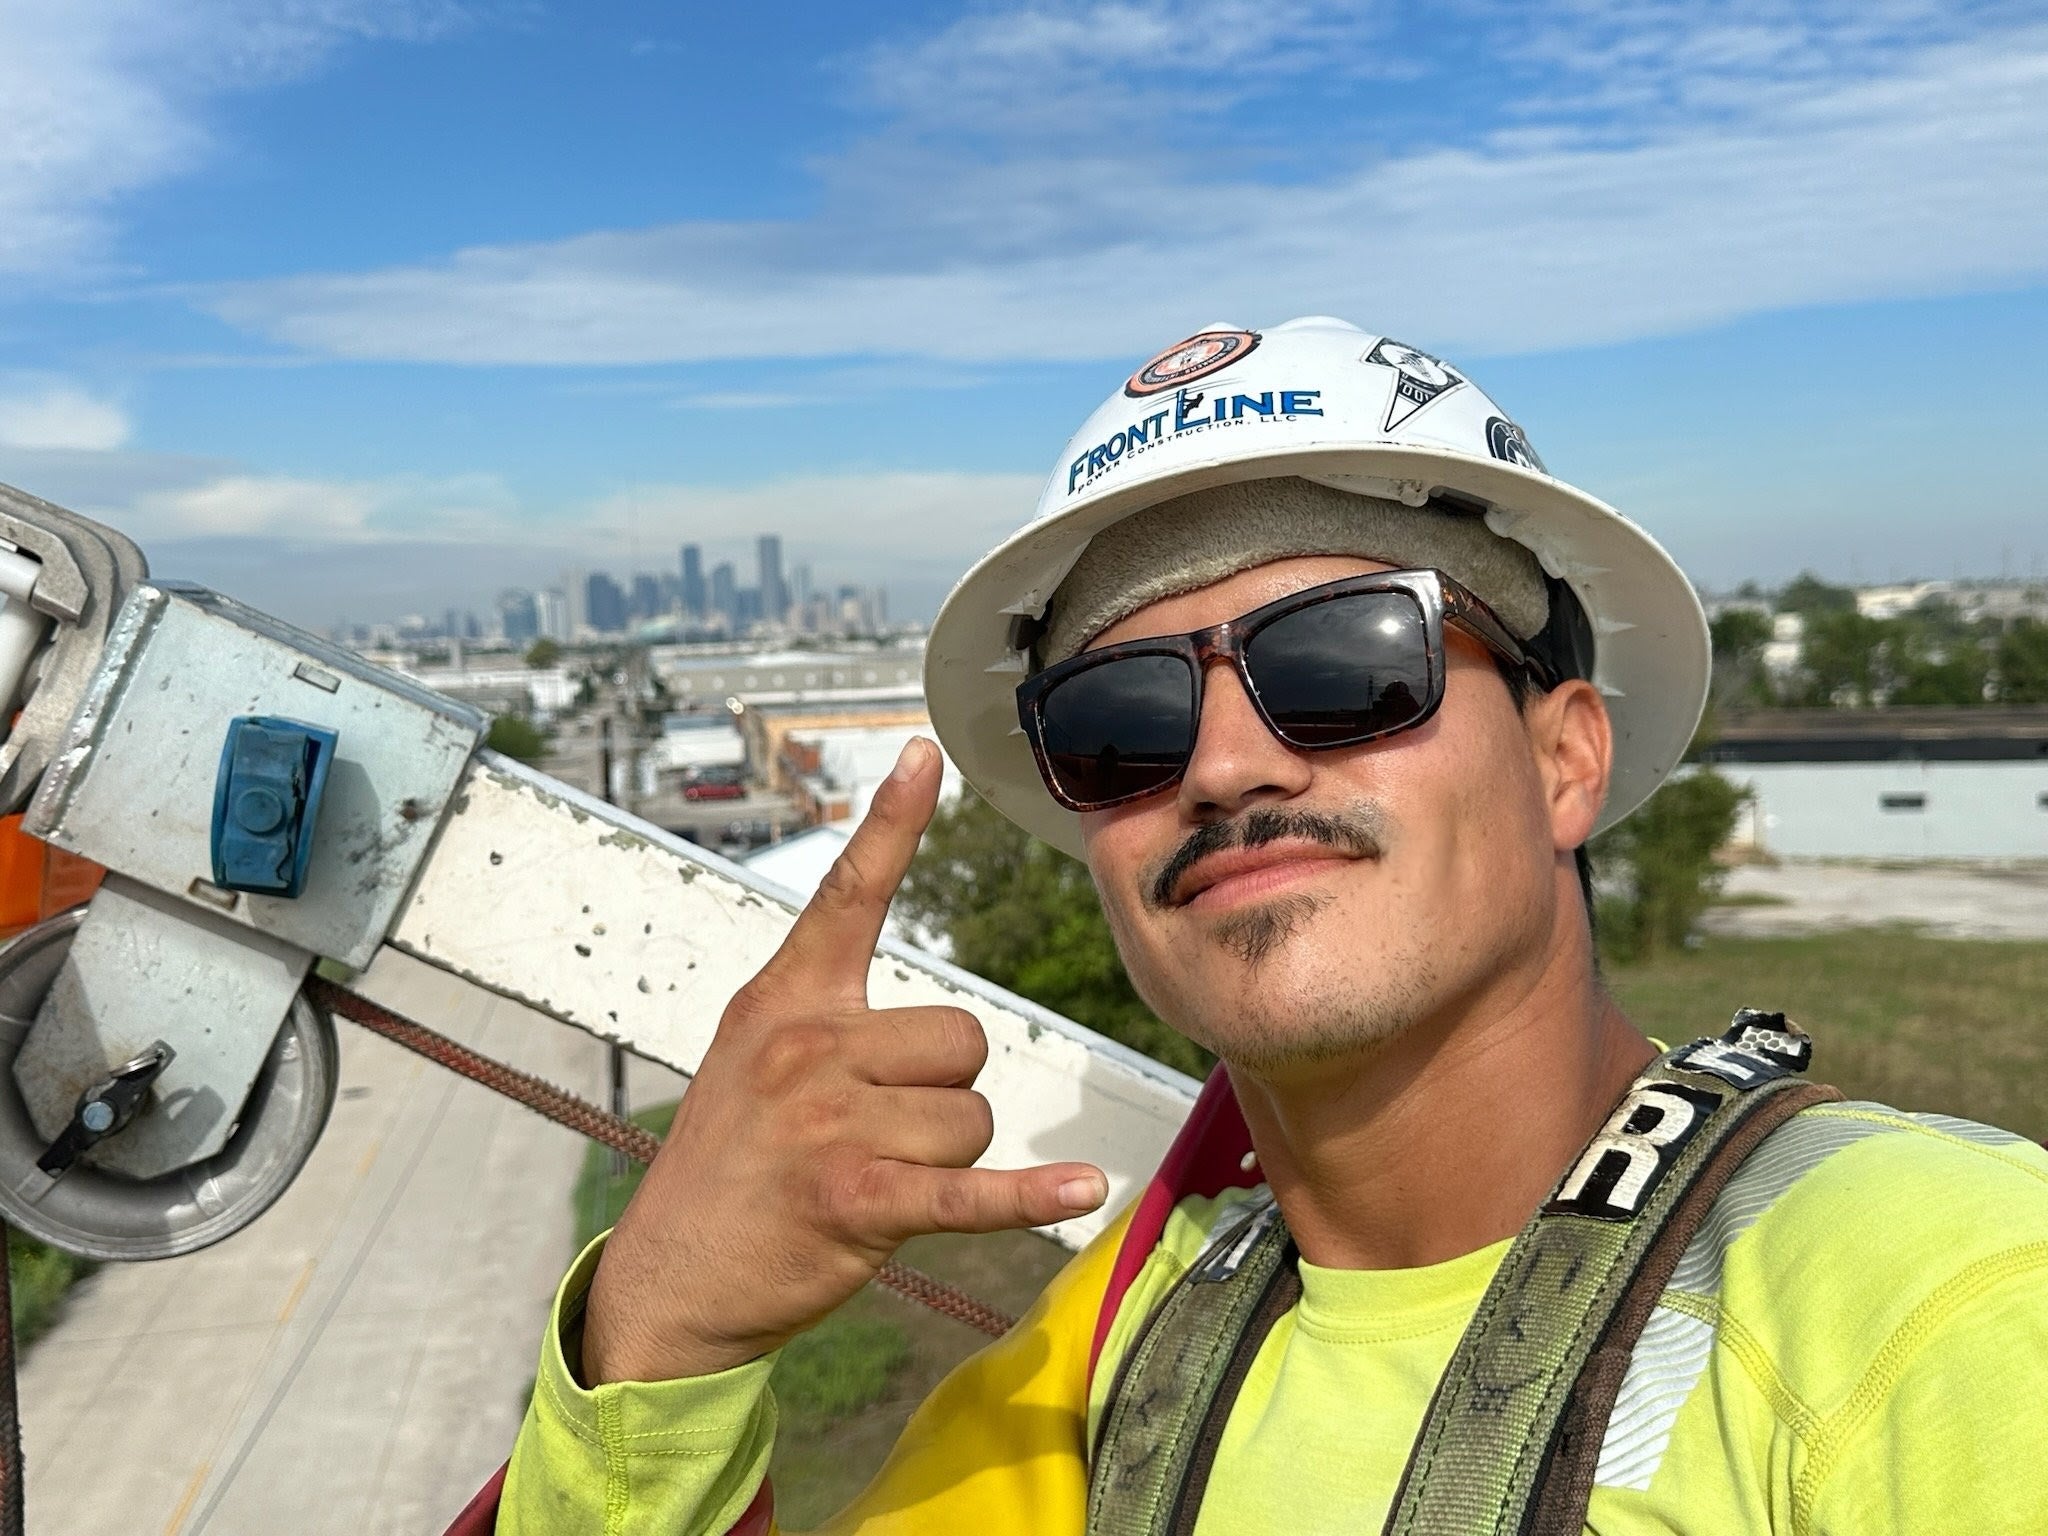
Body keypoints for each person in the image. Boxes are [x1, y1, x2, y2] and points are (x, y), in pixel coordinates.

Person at [494, 319, 2048, 1534]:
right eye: (1123, 722)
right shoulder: (1124, 1359)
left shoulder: (1935, 1298)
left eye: (1347, 666)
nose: (1228, 766)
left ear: (1565, 756)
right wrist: (657, 1344)